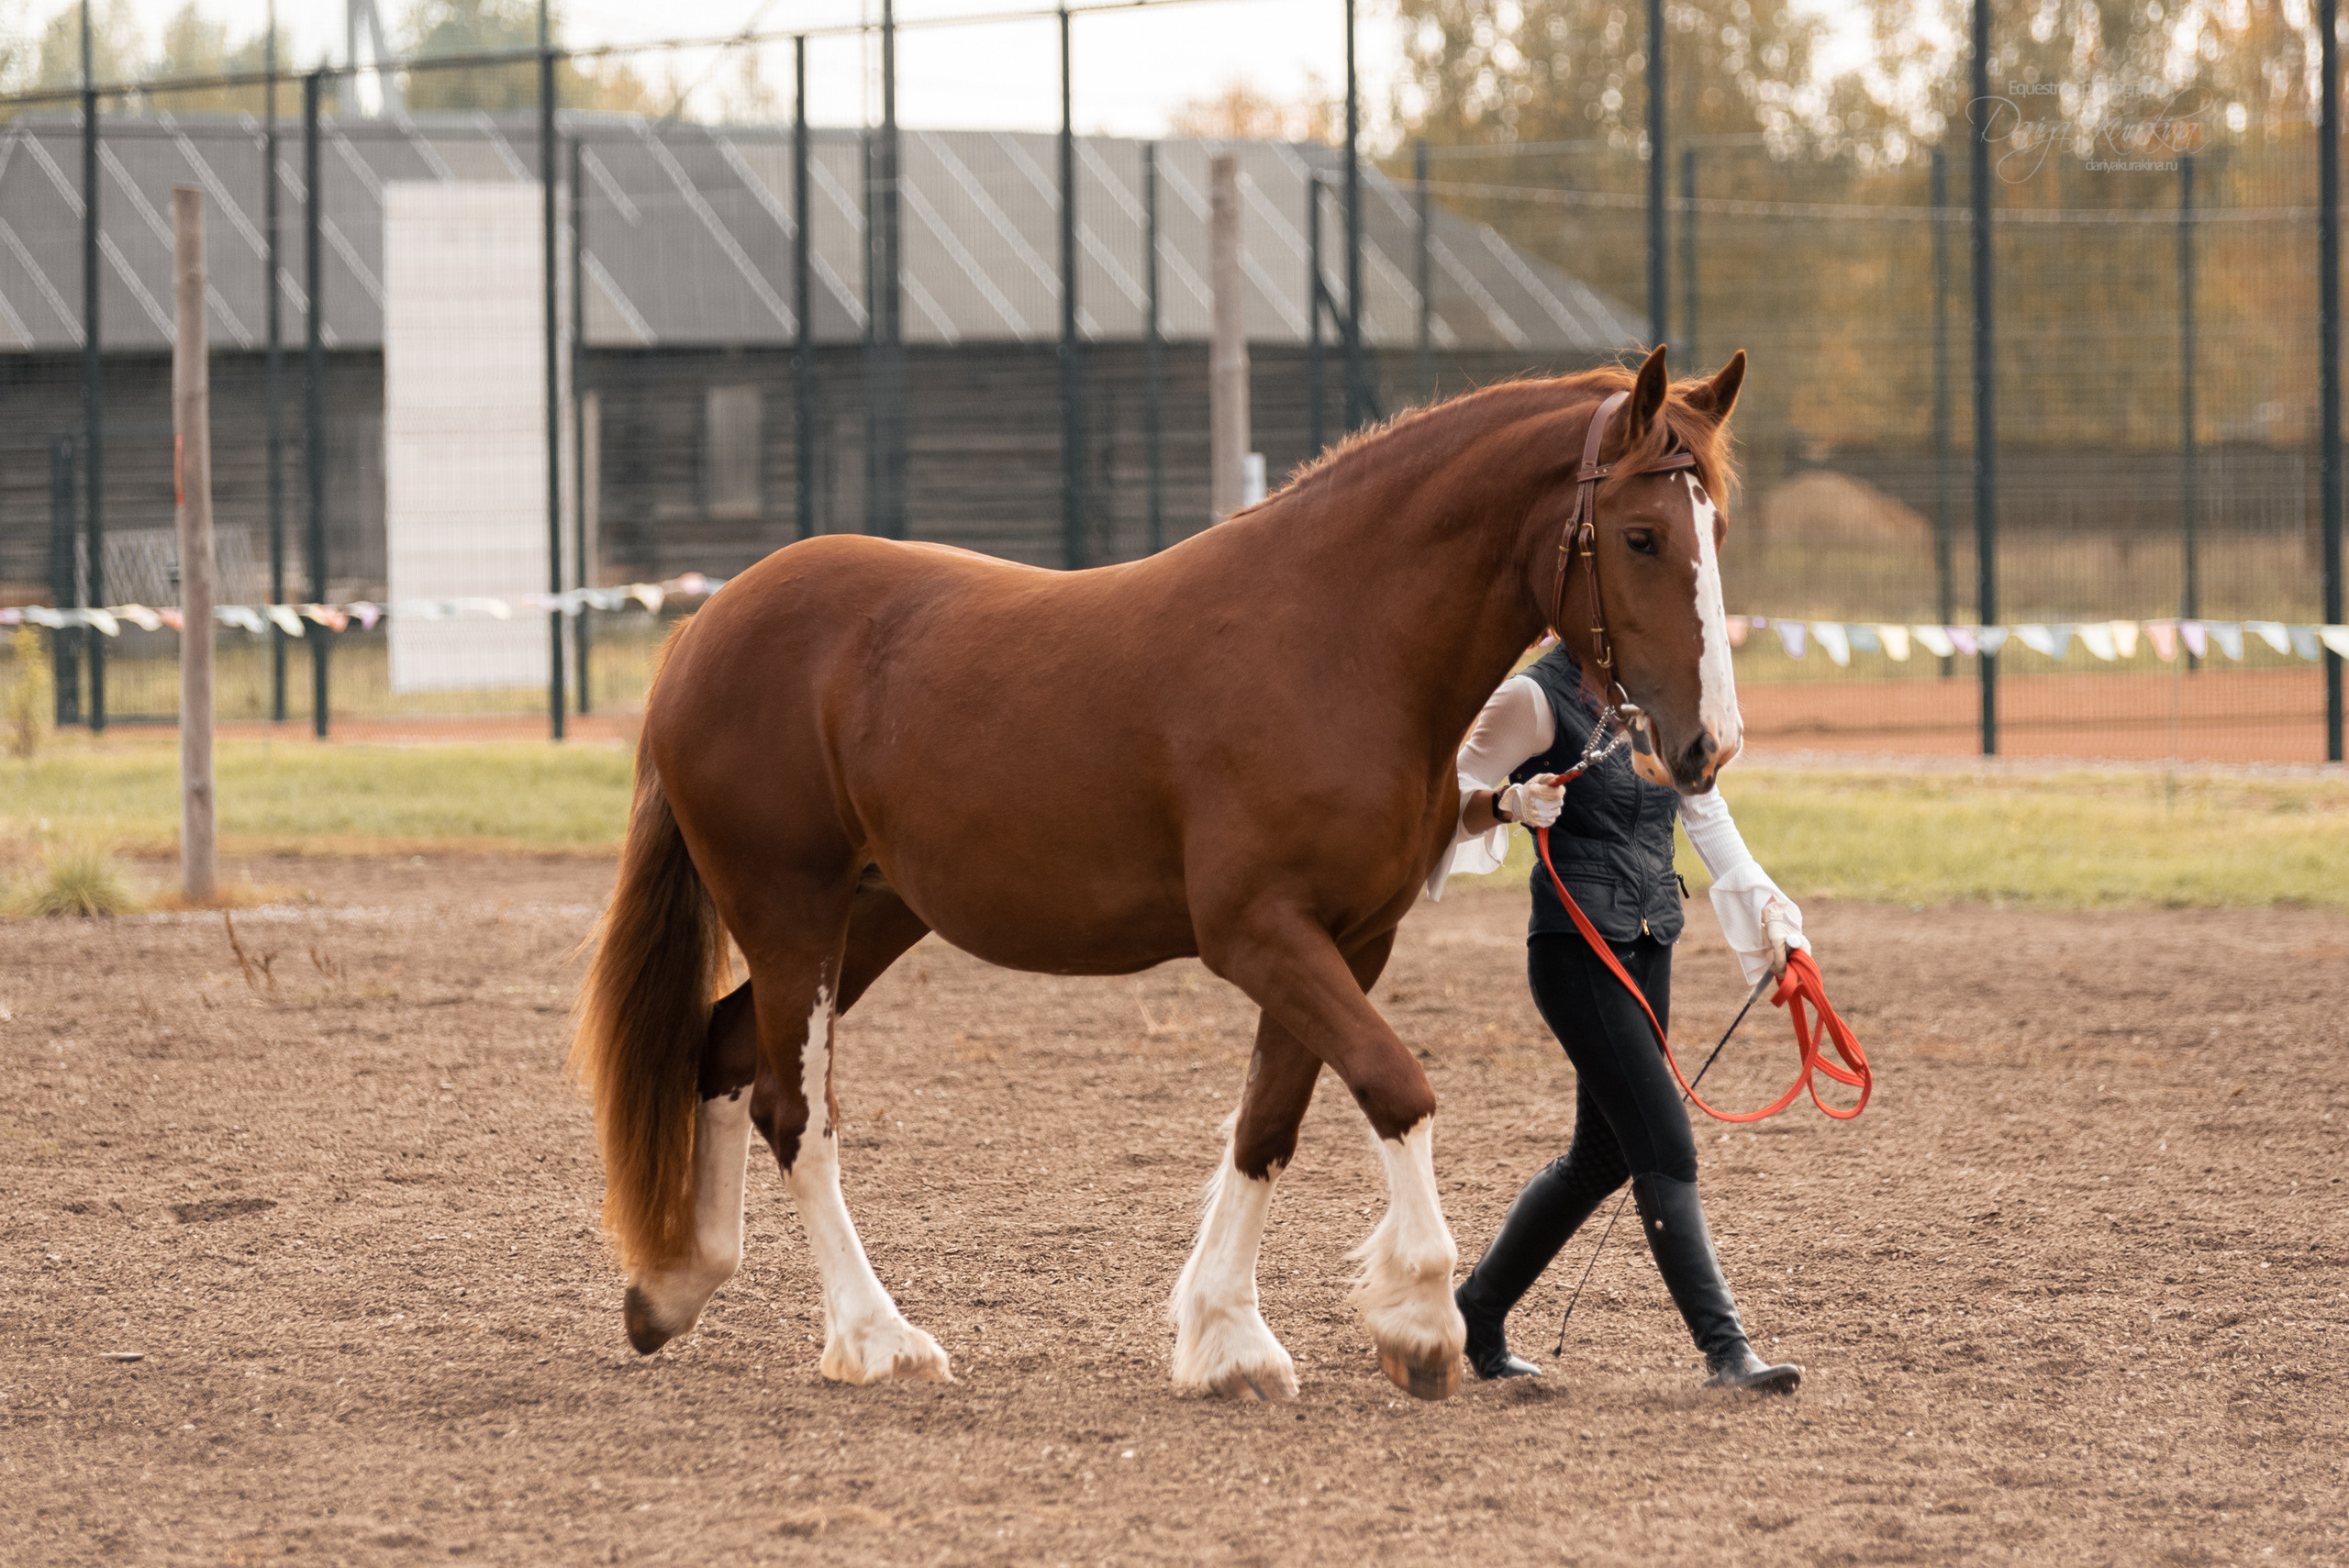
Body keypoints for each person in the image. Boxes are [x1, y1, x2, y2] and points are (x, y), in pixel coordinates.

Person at [1430, 643, 1809, 1393]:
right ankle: (1727, 1351)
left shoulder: (1657, 692)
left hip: (1649, 940)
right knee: (1664, 1142)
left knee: (1601, 1158)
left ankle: (1475, 1310)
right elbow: (1444, 800)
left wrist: (1769, 907)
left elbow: (1704, 809)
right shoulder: (1533, 698)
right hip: (1575, 949)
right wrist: (1506, 804)